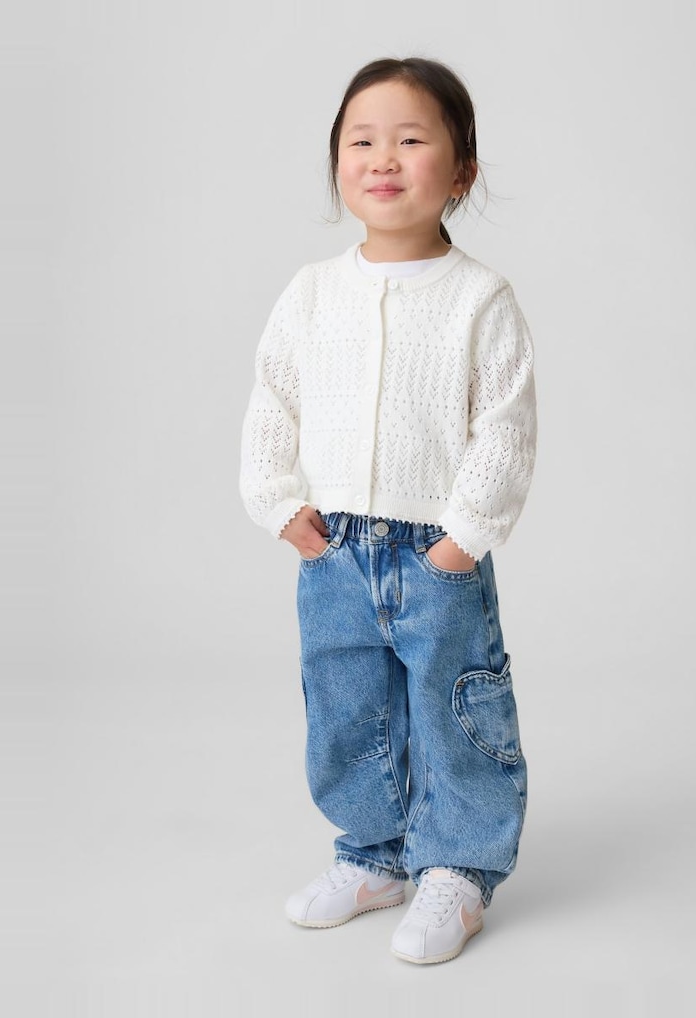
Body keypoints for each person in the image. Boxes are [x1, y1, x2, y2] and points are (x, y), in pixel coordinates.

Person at [239, 56, 537, 965]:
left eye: (410, 139)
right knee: (346, 707)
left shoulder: (479, 298)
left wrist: (462, 540)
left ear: (462, 171)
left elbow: (505, 427)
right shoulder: (311, 292)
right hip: (333, 548)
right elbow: (272, 400)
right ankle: (373, 855)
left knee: (453, 706)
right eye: (361, 140)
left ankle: (457, 868)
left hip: (436, 547)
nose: (383, 158)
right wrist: (280, 506)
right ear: (337, 161)